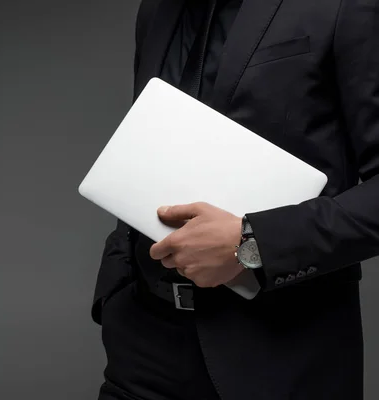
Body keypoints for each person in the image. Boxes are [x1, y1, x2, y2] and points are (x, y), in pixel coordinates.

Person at [92, 0, 379, 399]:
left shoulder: (347, 7)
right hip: (142, 343)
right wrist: (118, 285)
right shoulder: (157, 10)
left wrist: (252, 244)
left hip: (281, 353)